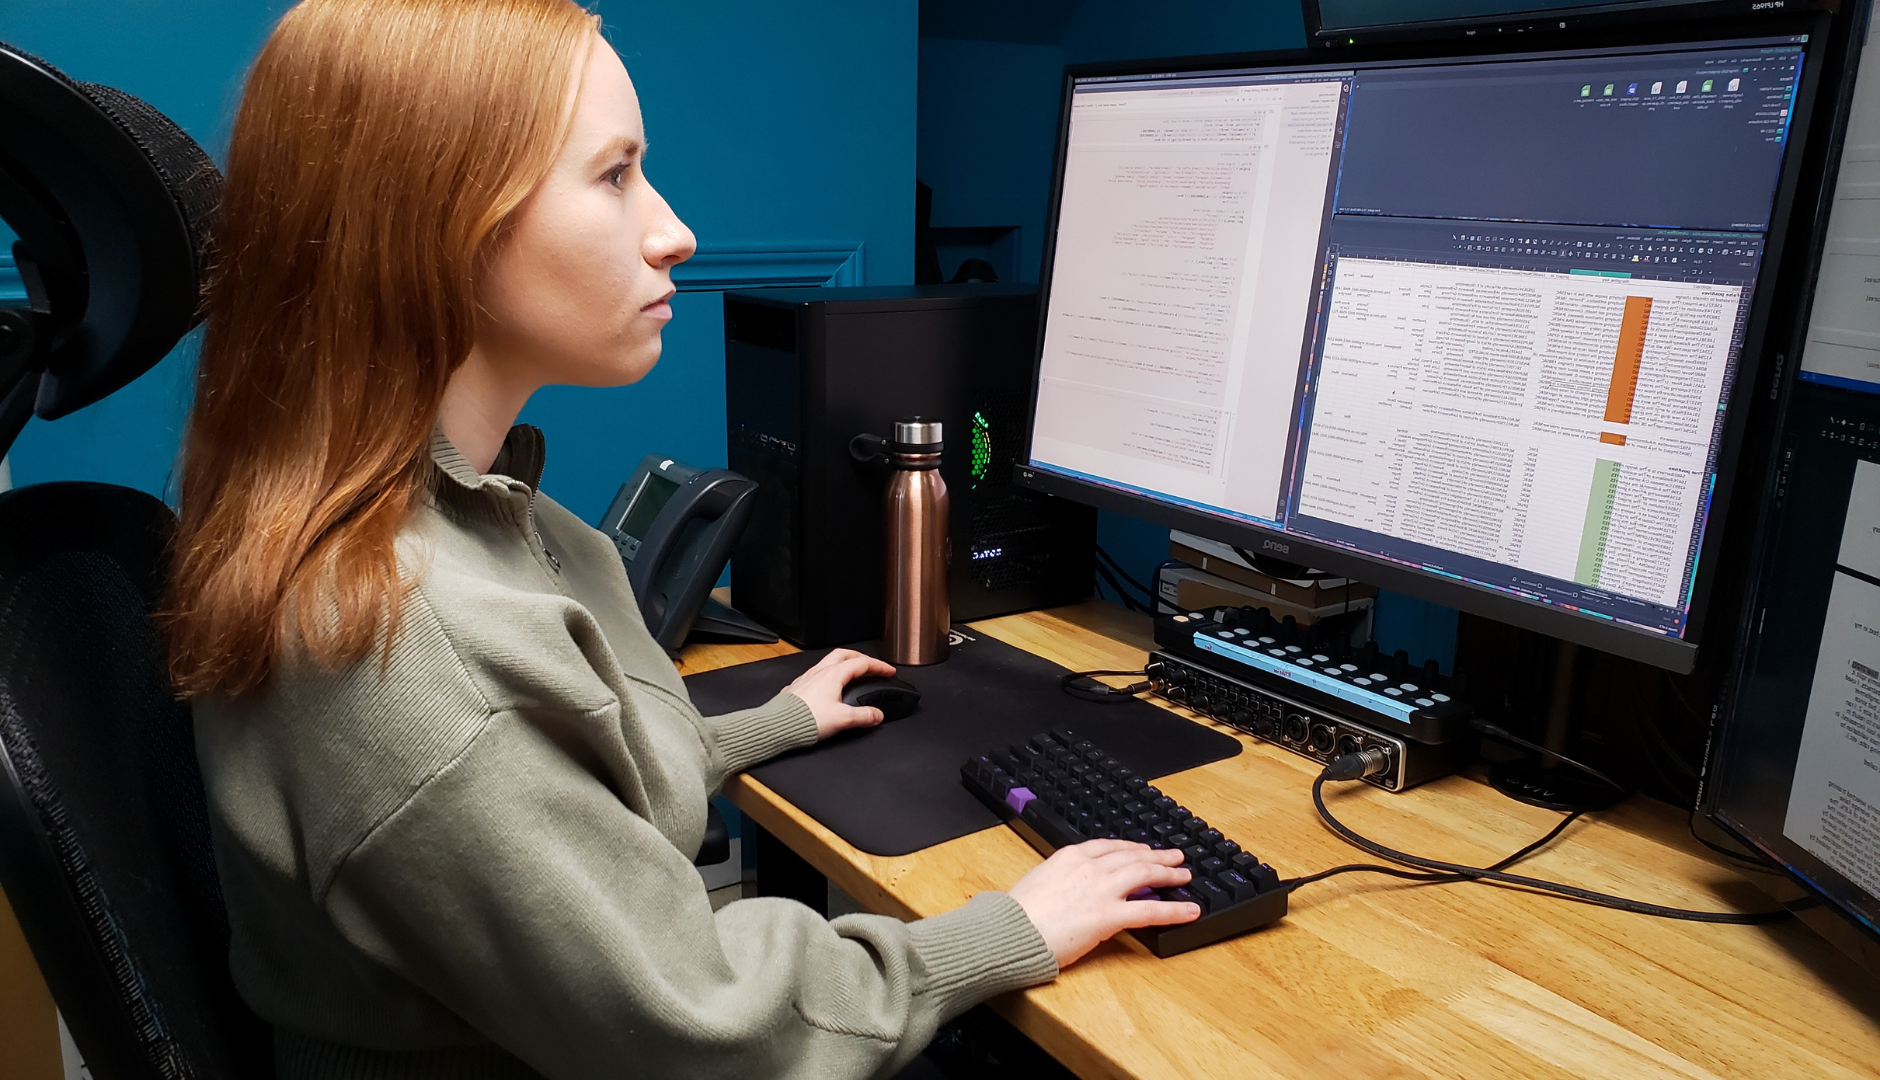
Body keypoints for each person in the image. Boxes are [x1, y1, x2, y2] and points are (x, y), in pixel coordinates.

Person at [163, 2, 1200, 1077]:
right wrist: (1007, 930)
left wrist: (757, 726)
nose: (673, 230)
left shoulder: (408, 517)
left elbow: (537, 787)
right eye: (614, 177)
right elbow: (701, 1021)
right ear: (436, 219)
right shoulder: (416, 642)